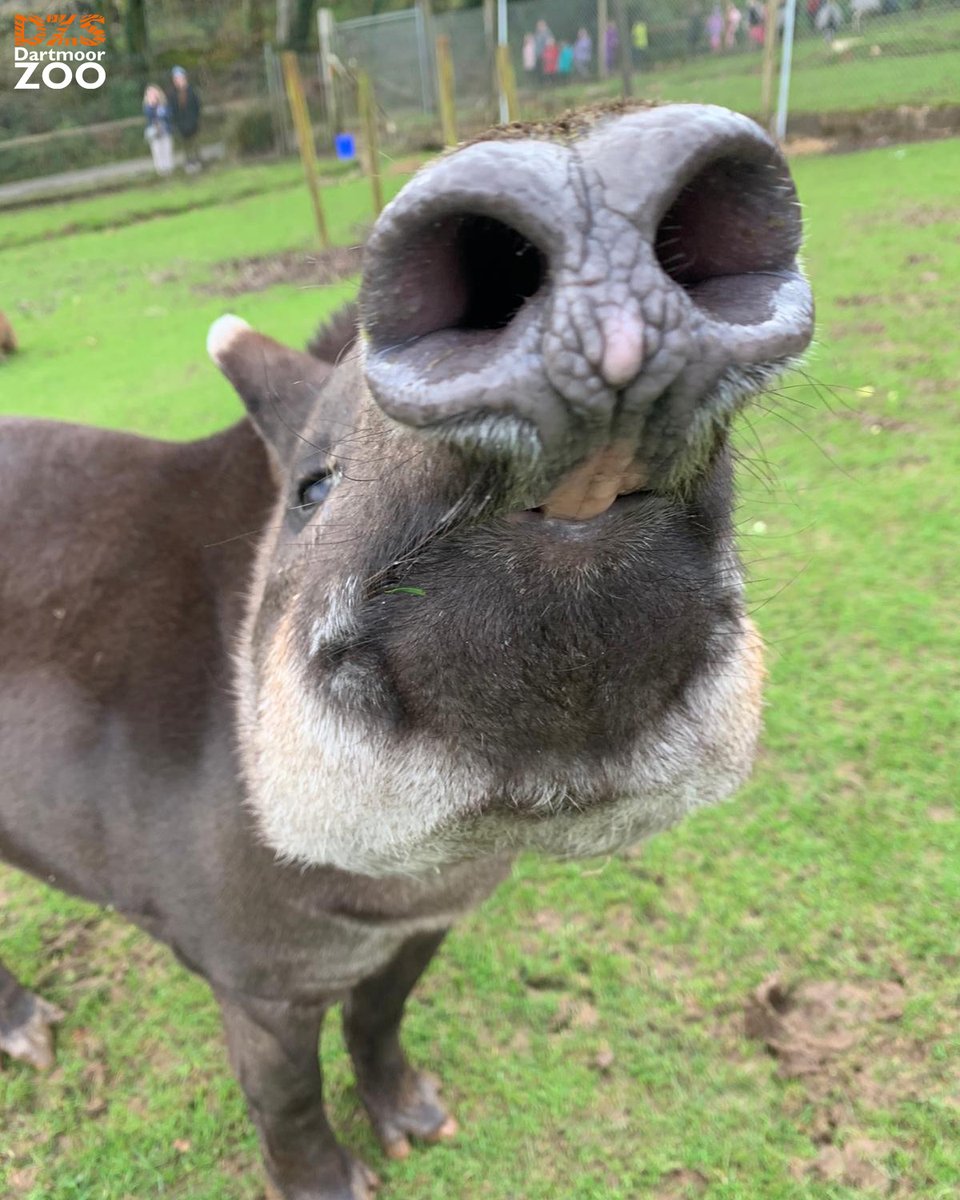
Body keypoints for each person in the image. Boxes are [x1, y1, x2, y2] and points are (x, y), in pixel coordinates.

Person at [169, 65, 202, 174]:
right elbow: (173, 110)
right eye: (176, 79)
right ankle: (188, 163)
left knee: (194, 143)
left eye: (180, 78)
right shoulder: (172, 94)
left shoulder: (192, 91)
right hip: (181, 125)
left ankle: (197, 161)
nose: (178, 81)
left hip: (193, 123)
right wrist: (177, 123)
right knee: (185, 146)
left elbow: (197, 106)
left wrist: (194, 119)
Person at [142, 85, 174, 178]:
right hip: (155, 133)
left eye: (154, 93)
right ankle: (161, 171)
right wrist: (153, 106)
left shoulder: (164, 104)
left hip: (165, 130)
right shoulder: (147, 107)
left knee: (167, 149)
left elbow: (168, 115)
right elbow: (150, 116)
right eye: (150, 94)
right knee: (157, 151)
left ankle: (169, 169)